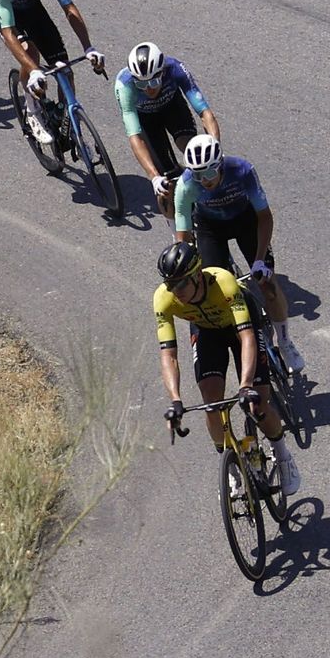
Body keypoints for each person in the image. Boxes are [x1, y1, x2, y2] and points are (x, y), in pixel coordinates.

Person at [155, 241, 301, 496]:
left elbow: (246, 338)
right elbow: (168, 355)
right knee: (212, 403)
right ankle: (231, 466)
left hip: (240, 326)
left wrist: (245, 385)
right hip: (207, 332)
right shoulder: (163, 299)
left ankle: (283, 454)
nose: (174, 291)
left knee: (258, 403)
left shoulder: (223, 283)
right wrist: (175, 400)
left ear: (197, 276)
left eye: (180, 284)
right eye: (170, 284)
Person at [173, 135, 305, 372]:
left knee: (268, 286)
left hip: (246, 221)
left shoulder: (242, 170)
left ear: (220, 165)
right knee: (215, 290)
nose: (205, 181)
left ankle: (285, 342)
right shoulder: (186, 185)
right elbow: (183, 236)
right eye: (198, 175)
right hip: (209, 228)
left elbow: (264, 217)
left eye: (209, 174)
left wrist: (259, 260)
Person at [0, 0, 106, 145]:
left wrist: (89, 47)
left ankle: (63, 118)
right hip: (5, 15)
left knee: (65, 71)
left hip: (32, 9)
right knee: (31, 53)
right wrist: (33, 70)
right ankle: (32, 111)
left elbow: (68, 8)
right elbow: (8, 31)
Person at [115, 41, 221, 217]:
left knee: (193, 151)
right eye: (141, 85)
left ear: (162, 72)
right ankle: (177, 236)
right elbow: (135, 136)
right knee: (166, 182)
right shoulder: (124, 85)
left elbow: (205, 112)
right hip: (146, 120)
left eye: (154, 81)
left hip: (173, 108)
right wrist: (154, 177)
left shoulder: (174, 68)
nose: (148, 89)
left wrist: (216, 148)